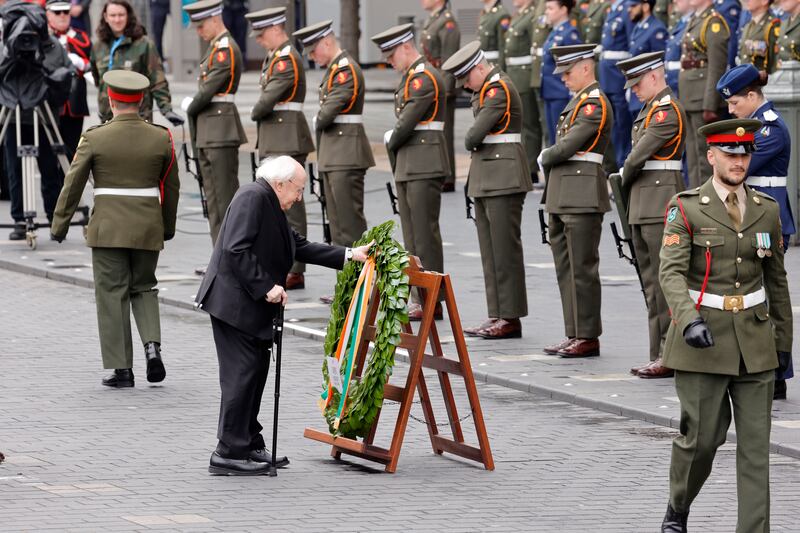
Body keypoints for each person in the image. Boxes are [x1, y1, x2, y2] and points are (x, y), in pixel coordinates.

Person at [195, 156, 372, 476]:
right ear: (280, 184)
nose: (299, 197)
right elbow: (236, 249)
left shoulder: (266, 199)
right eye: (298, 190)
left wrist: (350, 255)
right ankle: (228, 451)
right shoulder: (253, 197)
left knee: (255, 372)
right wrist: (267, 287)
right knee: (242, 375)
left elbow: (296, 246)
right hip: (235, 305)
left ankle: (248, 440)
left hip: (247, 306)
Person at [658, 118, 792, 533]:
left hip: (755, 344)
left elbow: (777, 281)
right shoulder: (687, 207)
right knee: (701, 441)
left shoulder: (767, 210)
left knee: (756, 451)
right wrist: (689, 320)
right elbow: (671, 274)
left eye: (745, 154)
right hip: (703, 341)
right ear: (712, 156)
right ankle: (678, 506)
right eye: (731, 154)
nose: (739, 161)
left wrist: (784, 344)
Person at [50, 70, 180, 388]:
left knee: (111, 292)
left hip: (107, 228)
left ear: (110, 100)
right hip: (147, 226)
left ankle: (122, 369)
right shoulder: (161, 137)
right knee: (144, 287)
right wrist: (166, 227)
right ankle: (152, 346)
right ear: (140, 101)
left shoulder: (95, 137)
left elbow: (73, 183)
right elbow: (172, 187)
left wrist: (60, 225)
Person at [443, 41, 532, 339]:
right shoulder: (487, 88)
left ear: (480, 68)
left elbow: (472, 137)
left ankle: (510, 316)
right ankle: (497, 313)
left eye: (468, 78)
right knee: (491, 252)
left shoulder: (498, 90)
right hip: (489, 176)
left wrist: (475, 139)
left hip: (503, 177)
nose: (466, 85)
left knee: (504, 252)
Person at [716, 64, 795, 399]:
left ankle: (778, 370)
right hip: (749, 216)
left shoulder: (769, 130)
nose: (731, 110)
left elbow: (740, 167)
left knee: (769, 295)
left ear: (752, 96)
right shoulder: (751, 128)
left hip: (768, 219)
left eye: (735, 103)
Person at [539, 44, 613, 358]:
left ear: (586, 67)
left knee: (581, 269)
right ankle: (574, 332)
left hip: (581, 193)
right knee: (565, 268)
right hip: (564, 193)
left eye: (568, 72)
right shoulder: (579, 101)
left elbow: (569, 145)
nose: (564, 79)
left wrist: (545, 155)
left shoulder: (593, 103)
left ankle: (587, 335)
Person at [616, 51, 686, 379]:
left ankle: (667, 352)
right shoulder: (650, 109)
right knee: (649, 282)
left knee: (662, 283)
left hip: (659, 200)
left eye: (638, 82)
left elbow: (636, 157)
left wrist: (622, 176)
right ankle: (657, 352)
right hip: (645, 201)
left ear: (655, 76)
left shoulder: (666, 112)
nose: (634, 90)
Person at [371, 23, 448, 321]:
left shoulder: (422, 79)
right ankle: (421, 297)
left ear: (406, 47)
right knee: (413, 236)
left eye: (392, 55)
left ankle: (432, 299)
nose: (390, 62)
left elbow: (407, 122)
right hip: (411, 162)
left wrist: (393, 136)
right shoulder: (412, 78)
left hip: (423, 161)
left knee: (424, 235)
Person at [246, 7, 312, 290]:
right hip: (278, 134)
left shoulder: (286, 59)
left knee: (292, 204)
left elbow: (265, 102)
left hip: (286, 135)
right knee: (279, 205)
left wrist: (255, 109)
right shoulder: (276, 56)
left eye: (262, 35)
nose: (260, 41)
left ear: (276, 29)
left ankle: (296, 269)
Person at [295, 19, 375, 249]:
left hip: (346, 154)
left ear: (327, 42)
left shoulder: (344, 71)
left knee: (350, 226)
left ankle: (362, 281)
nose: (311, 56)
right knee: (338, 225)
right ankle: (348, 281)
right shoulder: (335, 69)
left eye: (313, 50)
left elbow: (325, 115)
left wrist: (319, 117)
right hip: (336, 154)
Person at [3, 3, 73, 240]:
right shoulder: (6, 47)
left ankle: (54, 217)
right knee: (14, 170)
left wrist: (47, 75)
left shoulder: (53, 47)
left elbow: (67, 74)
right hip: (13, 117)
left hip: (44, 117)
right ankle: (20, 220)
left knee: (49, 170)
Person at [182, 0, 247, 247]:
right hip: (209, 130)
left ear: (215, 19)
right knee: (213, 199)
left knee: (224, 198)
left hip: (220, 128)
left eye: (201, 26)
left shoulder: (225, 49)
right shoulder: (215, 48)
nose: (199, 32)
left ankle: (230, 254)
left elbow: (209, 90)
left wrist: (191, 104)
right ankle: (219, 257)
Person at [90, 0, 182, 126]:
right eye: (113, 15)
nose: (117, 20)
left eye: (121, 15)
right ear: (105, 17)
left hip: (139, 118)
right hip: (107, 119)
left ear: (128, 15)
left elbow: (158, 80)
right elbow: (98, 80)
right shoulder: (98, 46)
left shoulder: (144, 44)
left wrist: (166, 110)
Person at [679, 0, 730, 189]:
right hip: (690, 97)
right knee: (692, 158)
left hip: (702, 99)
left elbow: (716, 67)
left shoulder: (713, 23)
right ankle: (696, 200)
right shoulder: (696, 20)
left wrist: (710, 104)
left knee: (704, 158)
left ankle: (708, 204)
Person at [421, 0, 460, 192]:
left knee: (444, 133)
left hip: (441, 86)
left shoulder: (447, 21)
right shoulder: (433, 20)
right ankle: (438, 172)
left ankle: (447, 176)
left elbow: (449, 59)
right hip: (431, 83)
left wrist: (443, 90)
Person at [502, 0, 542, 184]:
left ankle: (531, 168)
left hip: (524, 75)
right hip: (514, 75)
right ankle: (526, 164)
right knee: (520, 124)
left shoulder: (532, 15)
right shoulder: (519, 16)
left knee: (529, 125)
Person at [47, 0, 91, 160]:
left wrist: (81, 63)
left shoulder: (80, 36)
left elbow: (92, 64)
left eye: (66, 12)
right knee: (50, 153)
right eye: (57, 13)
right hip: (50, 103)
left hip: (74, 103)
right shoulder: (43, 38)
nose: (63, 16)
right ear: (48, 14)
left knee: (72, 151)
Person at [599, 0, 635, 168]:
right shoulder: (612, 9)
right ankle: (615, 163)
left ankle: (623, 163)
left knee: (623, 124)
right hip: (607, 74)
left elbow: (632, 45)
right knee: (612, 123)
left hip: (619, 75)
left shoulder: (627, 8)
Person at [541, 0, 582, 145]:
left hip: (562, 92)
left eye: (550, 8)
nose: (546, 12)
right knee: (553, 136)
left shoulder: (570, 33)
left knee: (562, 137)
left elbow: (575, 65)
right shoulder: (554, 32)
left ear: (563, 9)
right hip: (550, 91)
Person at [625, 0, 668, 119]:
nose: (630, 9)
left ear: (645, 6)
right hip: (637, 89)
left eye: (634, 6)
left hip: (648, 91)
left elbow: (658, 65)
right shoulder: (638, 27)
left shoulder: (656, 29)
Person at [737, 0, 781, 73]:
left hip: (765, 82)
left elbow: (774, 62)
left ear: (764, 1)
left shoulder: (773, 25)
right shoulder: (748, 25)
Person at [664, 0, 692, 95]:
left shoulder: (693, 23)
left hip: (684, 85)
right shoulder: (680, 22)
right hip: (673, 83)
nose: (675, 1)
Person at [478, 0, 511, 66]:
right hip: (484, 64)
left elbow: (502, 47)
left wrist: (500, 72)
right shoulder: (484, 13)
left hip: (495, 65)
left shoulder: (502, 14)